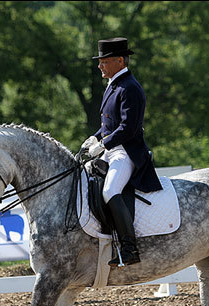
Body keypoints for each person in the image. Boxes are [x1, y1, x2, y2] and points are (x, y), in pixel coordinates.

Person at [81, 37, 162, 267]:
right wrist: (95, 137)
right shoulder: (115, 85)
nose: (99, 66)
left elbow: (128, 128)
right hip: (111, 149)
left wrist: (103, 144)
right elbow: (110, 124)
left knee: (109, 190)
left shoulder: (130, 88)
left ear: (119, 61)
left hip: (126, 152)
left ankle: (129, 248)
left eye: (104, 61)